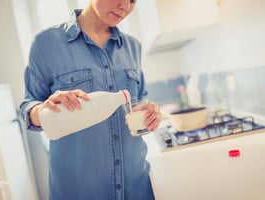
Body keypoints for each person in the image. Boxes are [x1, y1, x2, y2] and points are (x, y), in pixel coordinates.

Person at [19, 0, 162, 199]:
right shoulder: (46, 44)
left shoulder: (132, 47)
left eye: (132, 0)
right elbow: (28, 108)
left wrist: (150, 113)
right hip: (80, 190)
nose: (125, 7)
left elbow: (141, 99)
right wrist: (44, 108)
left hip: (136, 187)